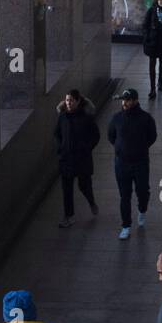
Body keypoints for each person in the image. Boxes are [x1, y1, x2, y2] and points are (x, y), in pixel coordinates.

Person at [107, 87, 158, 240]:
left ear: (135, 101)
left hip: (140, 163)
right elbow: (111, 136)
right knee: (125, 195)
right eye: (123, 100)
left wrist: (140, 148)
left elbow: (152, 136)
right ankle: (126, 226)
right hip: (121, 163)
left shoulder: (146, 119)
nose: (124, 103)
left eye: (127, 100)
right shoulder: (116, 118)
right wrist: (120, 149)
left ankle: (142, 210)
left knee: (142, 191)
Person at [54, 89, 100, 228]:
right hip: (66, 159)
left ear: (78, 101)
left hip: (82, 159)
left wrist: (86, 148)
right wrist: (61, 148)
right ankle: (69, 216)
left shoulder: (86, 117)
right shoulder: (62, 117)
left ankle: (91, 202)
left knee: (84, 185)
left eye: (71, 100)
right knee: (66, 189)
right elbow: (57, 133)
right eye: (67, 100)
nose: (68, 103)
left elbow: (95, 136)